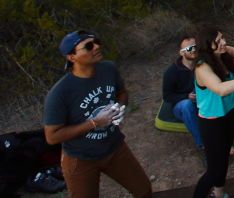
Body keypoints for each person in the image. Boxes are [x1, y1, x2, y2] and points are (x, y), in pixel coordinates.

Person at [43, 30, 152, 198]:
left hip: (114, 147)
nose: (96, 47)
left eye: (96, 42)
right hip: (81, 159)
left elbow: (122, 92)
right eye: (88, 46)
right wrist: (94, 123)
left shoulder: (108, 69)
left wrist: (119, 107)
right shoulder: (60, 93)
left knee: (144, 190)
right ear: (72, 57)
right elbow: (52, 137)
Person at [192, 25, 234, 198]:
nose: (223, 42)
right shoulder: (202, 67)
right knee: (214, 171)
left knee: (223, 163)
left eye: (222, 38)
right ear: (208, 46)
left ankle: (219, 194)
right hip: (212, 122)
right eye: (218, 41)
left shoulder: (223, 53)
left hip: (229, 114)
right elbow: (220, 89)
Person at [162, 36, 203, 150]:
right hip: (182, 105)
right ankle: (203, 144)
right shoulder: (171, 72)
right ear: (181, 53)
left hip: (202, 100)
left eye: (195, 47)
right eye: (189, 48)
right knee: (186, 105)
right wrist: (186, 96)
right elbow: (167, 96)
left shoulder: (202, 64)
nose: (193, 50)